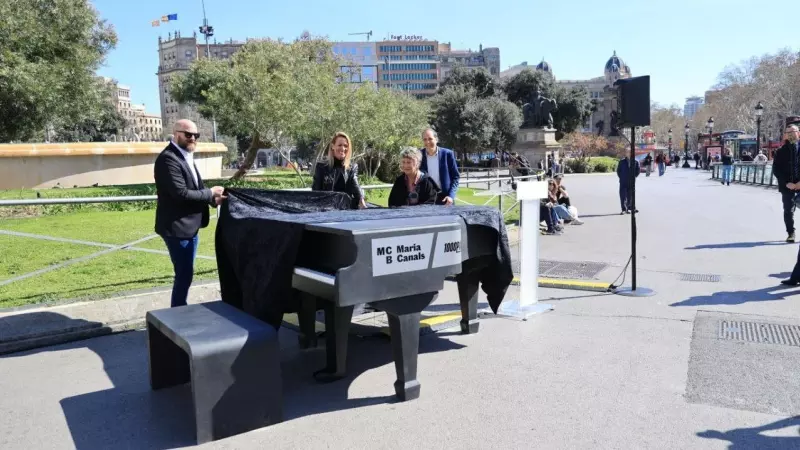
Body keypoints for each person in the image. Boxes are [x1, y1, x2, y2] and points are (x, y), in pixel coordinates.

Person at [154, 119, 226, 308]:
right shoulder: (168, 159)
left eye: (196, 135)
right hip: (177, 228)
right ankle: (178, 313)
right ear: (176, 134)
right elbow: (181, 194)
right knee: (184, 274)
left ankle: (179, 311)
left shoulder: (184, 156)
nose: (192, 138)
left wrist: (212, 199)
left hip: (189, 227)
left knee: (185, 274)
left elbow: (194, 189)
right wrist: (210, 193)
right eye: (188, 135)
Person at [312, 132, 367, 209]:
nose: (343, 148)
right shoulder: (321, 166)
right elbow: (315, 193)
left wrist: (362, 200)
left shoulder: (352, 167)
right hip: (326, 211)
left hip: (346, 212)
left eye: (345, 146)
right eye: (340, 145)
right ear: (332, 146)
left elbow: (356, 186)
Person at [772, 124, 800, 243]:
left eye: (793, 131)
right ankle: (791, 233)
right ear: (785, 136)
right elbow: (776, 169)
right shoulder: (780, 151)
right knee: (788, 210)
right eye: (788, 132)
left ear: (798, 133)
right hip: (787, 186)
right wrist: (786, 183)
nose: (790, 134)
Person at [419, 128, 460, 205]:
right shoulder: (419, 155)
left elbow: (455, 177)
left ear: (436, 139)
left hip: (446, 199)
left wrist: (451, 196)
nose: (427, 142)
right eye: (425, 139)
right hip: (426, 199)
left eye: (430, 139)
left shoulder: (447, 154)